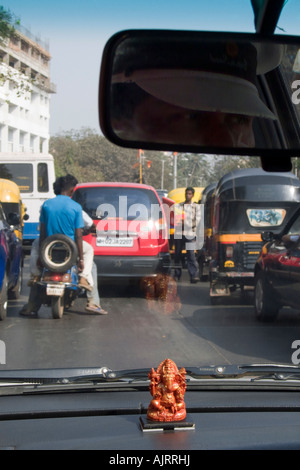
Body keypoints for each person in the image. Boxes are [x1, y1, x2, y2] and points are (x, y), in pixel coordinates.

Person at [20, 174, 107, 316]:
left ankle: (34, 278)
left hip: (49, 247)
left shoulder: (46, 205)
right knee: (89, 250)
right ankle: (88, 289)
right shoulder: (76, 207)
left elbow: (42, 233)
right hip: (70, 248)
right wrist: (81, 260)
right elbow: (78, 235)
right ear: (72, 191)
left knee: (36, 244)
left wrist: (40, 257)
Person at [173, 186, 200, 283]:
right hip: (179, 233)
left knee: (191, 255)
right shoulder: (179, 206)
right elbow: (174, 218)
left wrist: (186, 223)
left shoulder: (196, 207)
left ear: (192, 195)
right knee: (177, 255)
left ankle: (193, 275)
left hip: (190, 234)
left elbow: (197, 221)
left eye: (189, 194)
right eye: (186, 193)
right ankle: (176, 275)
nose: (187, 195)